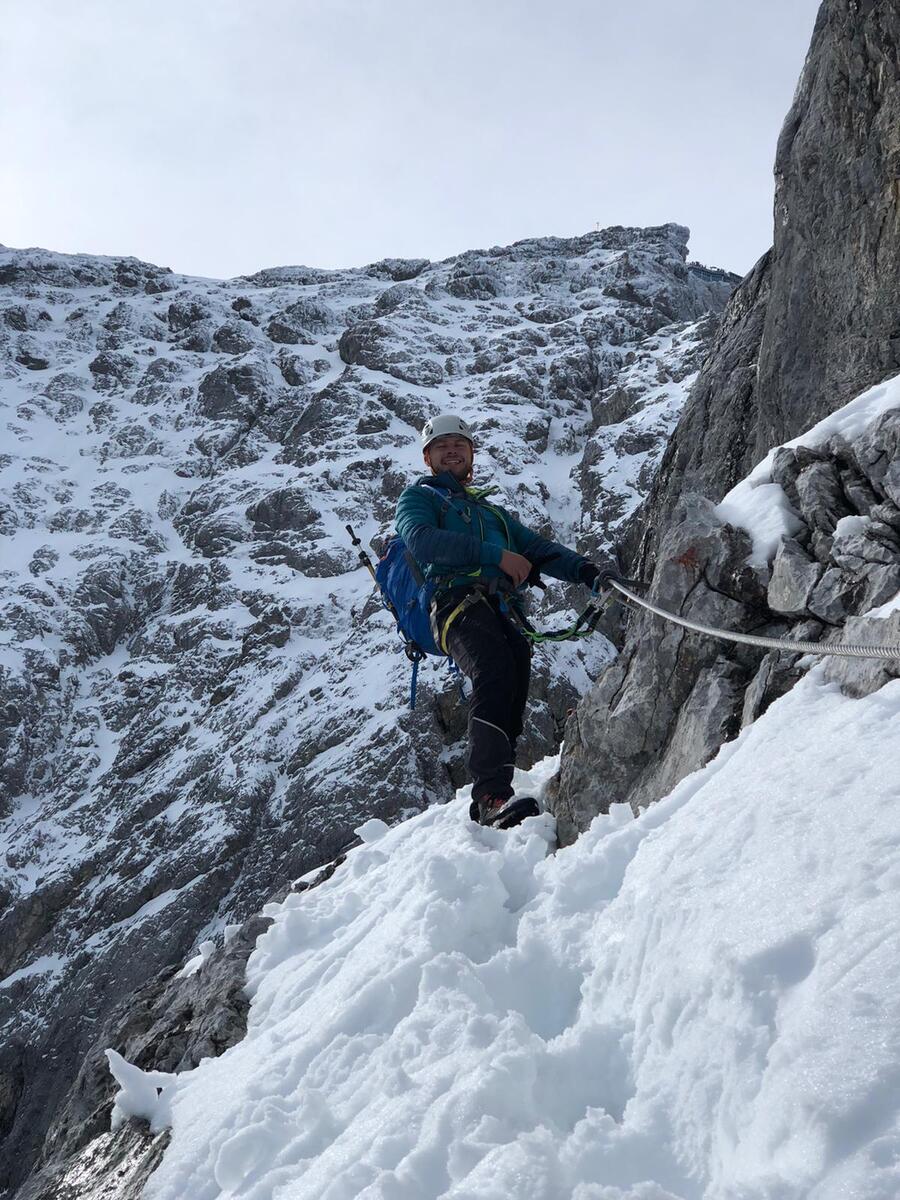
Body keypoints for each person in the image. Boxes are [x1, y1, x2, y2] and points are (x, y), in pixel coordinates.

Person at [395, 413, 620, 829]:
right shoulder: (419, 499)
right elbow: (422, 541)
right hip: (455, 603)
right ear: (428, 458)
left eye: (459, 445)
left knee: (513, 676)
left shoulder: (491, 514)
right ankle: (489, 797)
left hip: (499, 607)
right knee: (493, 669)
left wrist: (588, 571)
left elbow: (538, 549)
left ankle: (501, 787)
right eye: (442, 446)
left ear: (471, 456)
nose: (452, 450)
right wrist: (497, 557)